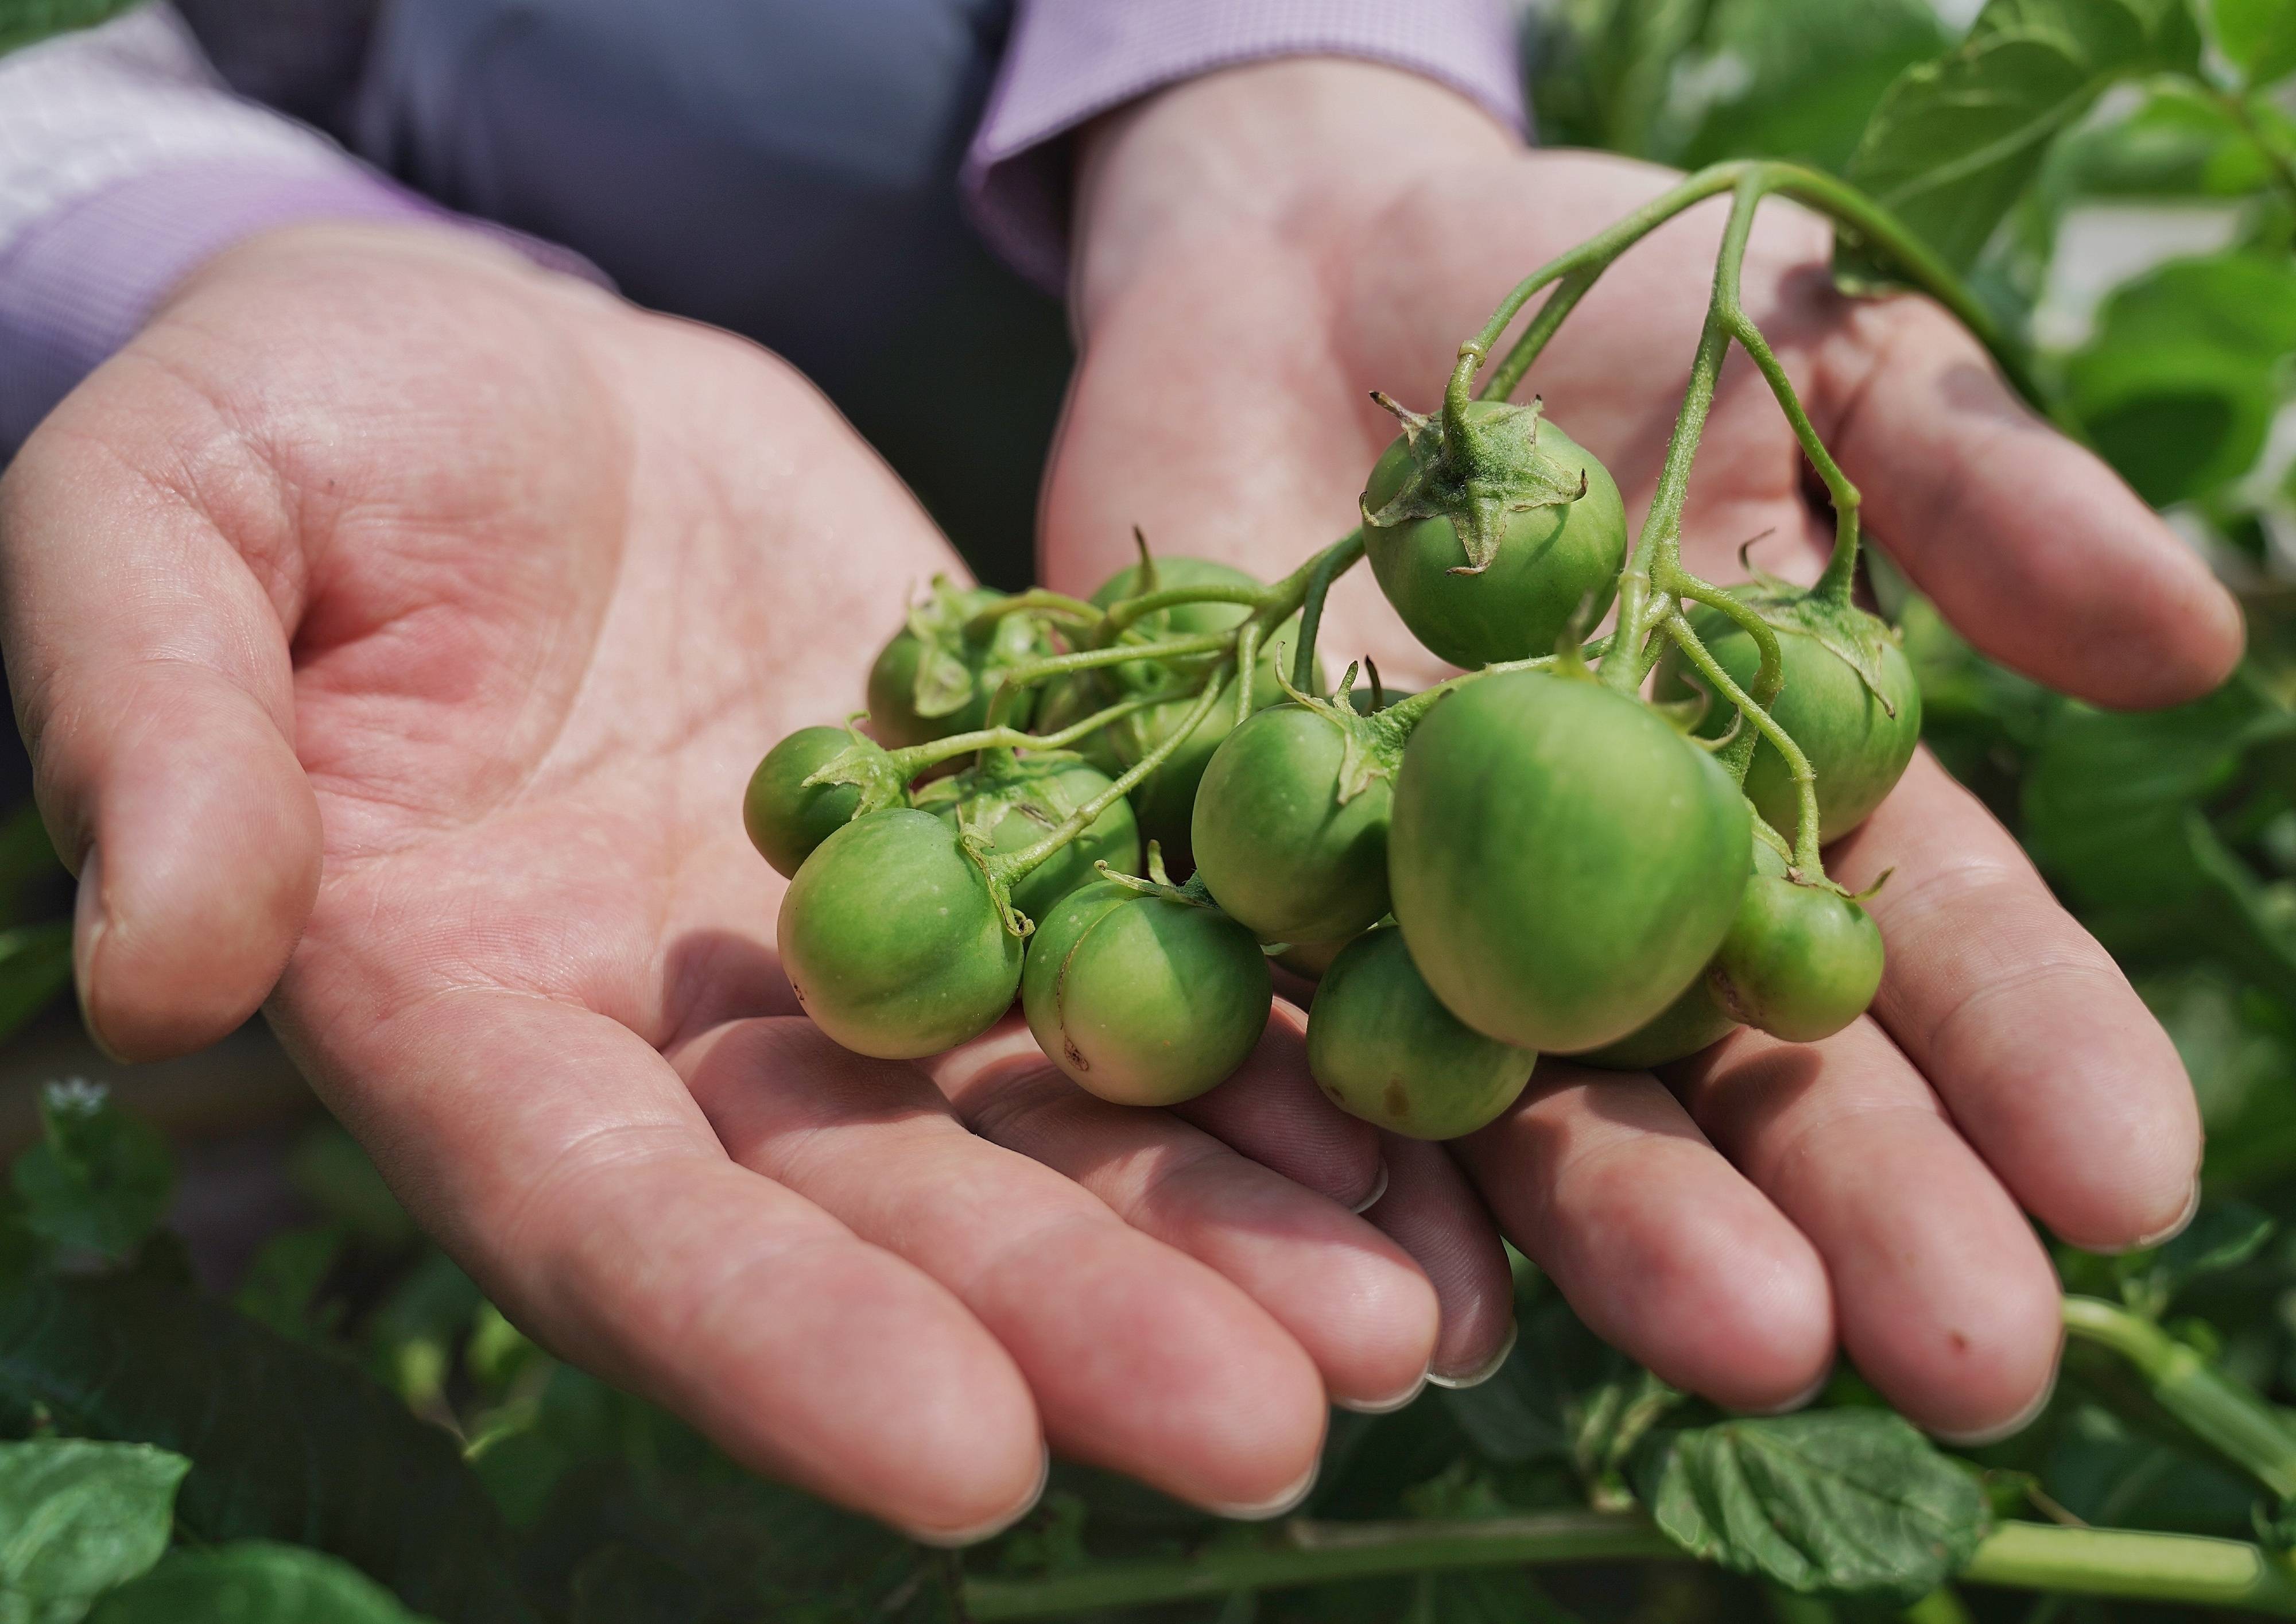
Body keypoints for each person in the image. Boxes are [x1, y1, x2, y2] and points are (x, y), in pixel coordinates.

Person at [0, 0, 2242, 1544]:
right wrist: (150, 232)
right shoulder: (1441, 766)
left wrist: (1270, 95)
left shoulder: (1404, 746)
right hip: (613, 534)